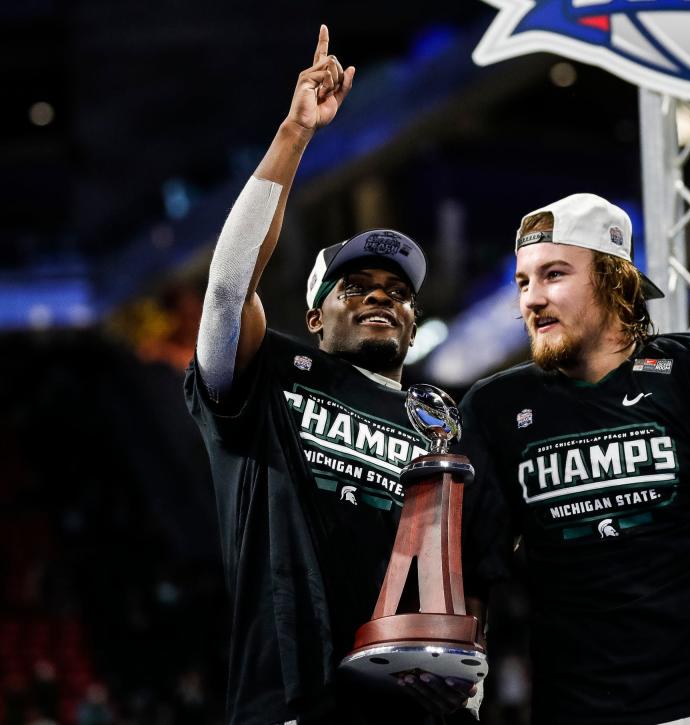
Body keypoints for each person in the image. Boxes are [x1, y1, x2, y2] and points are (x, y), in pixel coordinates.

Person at [184, 26, 495, 725]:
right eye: (355, 284)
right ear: (315, 317)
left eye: (395, 287)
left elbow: (472, 577)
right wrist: (295, 134)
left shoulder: (444, 427)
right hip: (289, 703)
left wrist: (469, 687)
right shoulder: (272, 380)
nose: (381, 294)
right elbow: (229, 287)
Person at [459, 193, 690, 725]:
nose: (532, 298)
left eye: (554, 274)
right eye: (523, 281)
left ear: (613, 281)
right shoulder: (494, 408)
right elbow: (471, 579)